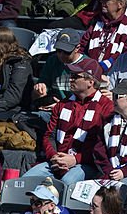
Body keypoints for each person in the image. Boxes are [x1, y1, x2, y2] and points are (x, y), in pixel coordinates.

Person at [25, 57, 113, 186]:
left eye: (76, 76)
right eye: (71, 75)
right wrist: (55, 157)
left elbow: (102, 146)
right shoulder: (63, 104)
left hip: (87, 164)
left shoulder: (106, 107)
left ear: (90, 81)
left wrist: (75, 159)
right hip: (57, 160)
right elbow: (49, 136)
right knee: (26, 180)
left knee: (66, 183)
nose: (70, 79)